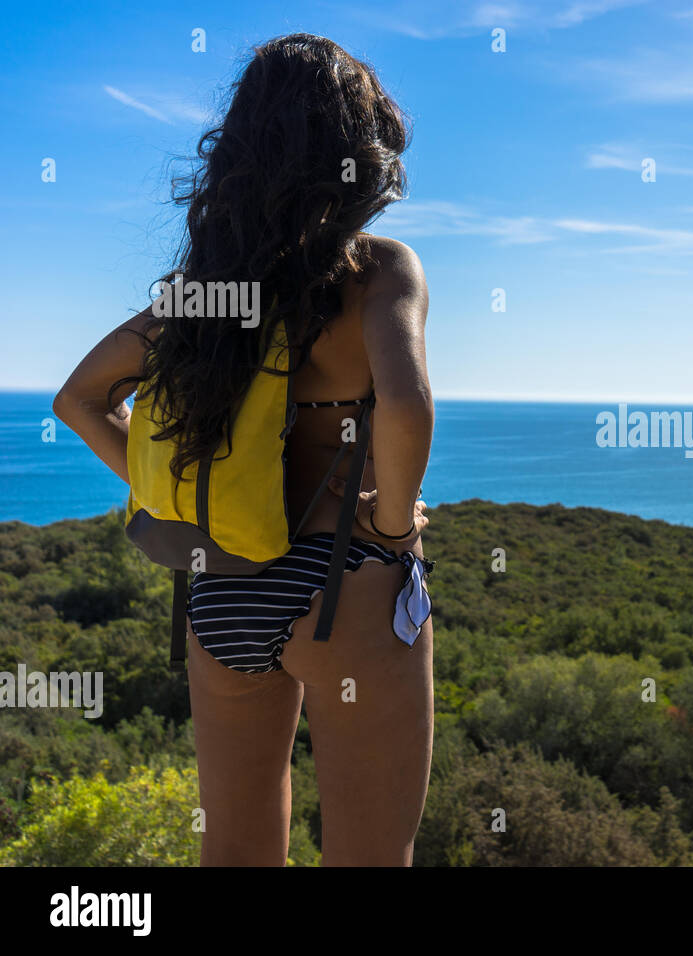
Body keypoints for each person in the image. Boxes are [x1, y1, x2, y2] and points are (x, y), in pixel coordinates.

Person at [53, 34, 435, 866]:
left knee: (233, 849)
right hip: (346, 584)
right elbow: (405, 404)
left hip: (219, 585)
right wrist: (397, 526)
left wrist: (164, 488)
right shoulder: (380, 271)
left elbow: (77, 401)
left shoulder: (198, 299)